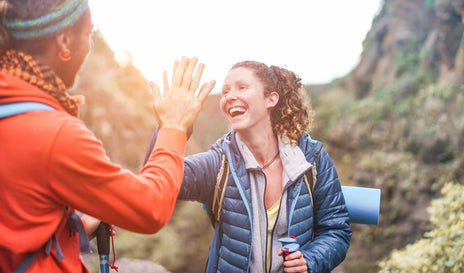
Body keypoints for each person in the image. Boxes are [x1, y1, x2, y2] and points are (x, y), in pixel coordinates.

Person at [0, 0, 215, 272]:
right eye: (87, 34)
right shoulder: (54, 132)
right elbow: (150, 208)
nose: (89, 46)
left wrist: (74, 227)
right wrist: (174, 127)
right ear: (64, 41)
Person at [146, 61, 352, 272]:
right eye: (225, 91)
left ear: (270, 99)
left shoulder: (312, 159)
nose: (229, 96)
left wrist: (310, 260)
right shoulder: (219, 164)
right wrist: (173, 125)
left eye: (242, 87)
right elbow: (154, 185)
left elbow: (336, 230)